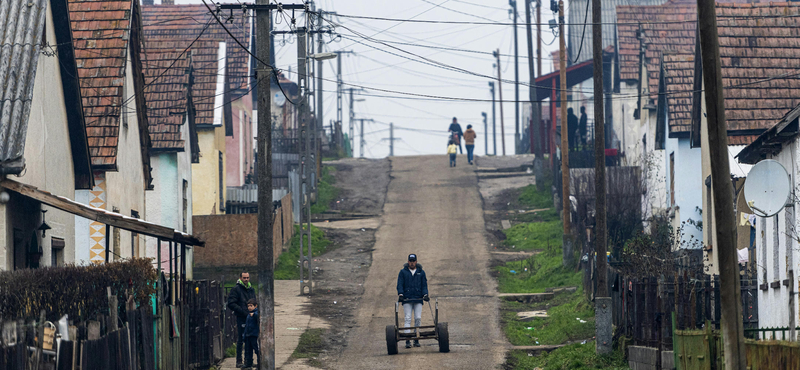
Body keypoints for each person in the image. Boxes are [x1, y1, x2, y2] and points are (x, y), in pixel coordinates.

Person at [396, 253, 429, 349]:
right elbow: (400, 284)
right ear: (408, 262)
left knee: (418, 318)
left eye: (413, 261)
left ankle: (416, 338)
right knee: (408, 318)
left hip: (418, 298)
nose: (412, 263)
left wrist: (425, 294)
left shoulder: (421, 272)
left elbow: (424, 285)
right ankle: (407, 339)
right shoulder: (403, 272)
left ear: (416, 262)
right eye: (410, 261)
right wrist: (401, 294)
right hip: (407, 299)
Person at [227, 272, 256, 368]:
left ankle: (248, 361)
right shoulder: (236, 289)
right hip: (242, 318)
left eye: (247, 277)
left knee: (250, 339)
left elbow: (254, 302)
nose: (246, 279)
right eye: (244, 278)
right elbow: (231, 303)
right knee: (241, 339)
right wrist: (243, 311)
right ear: (240, 278)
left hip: (251, 318)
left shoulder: (251, 289)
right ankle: (239, 360)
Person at [243, 299, 260, 369]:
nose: (249, 307)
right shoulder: (249, 315)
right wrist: (245, 335)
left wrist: (254, 315)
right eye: (248, 306)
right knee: (248, 350)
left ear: (255, 306)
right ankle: (249, 364)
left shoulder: (255, 313)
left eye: (251, 306)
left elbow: (258, 317)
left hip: (253, 334)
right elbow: (247, 326)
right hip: (248, 334)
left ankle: (259, 363)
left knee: (256, 349)